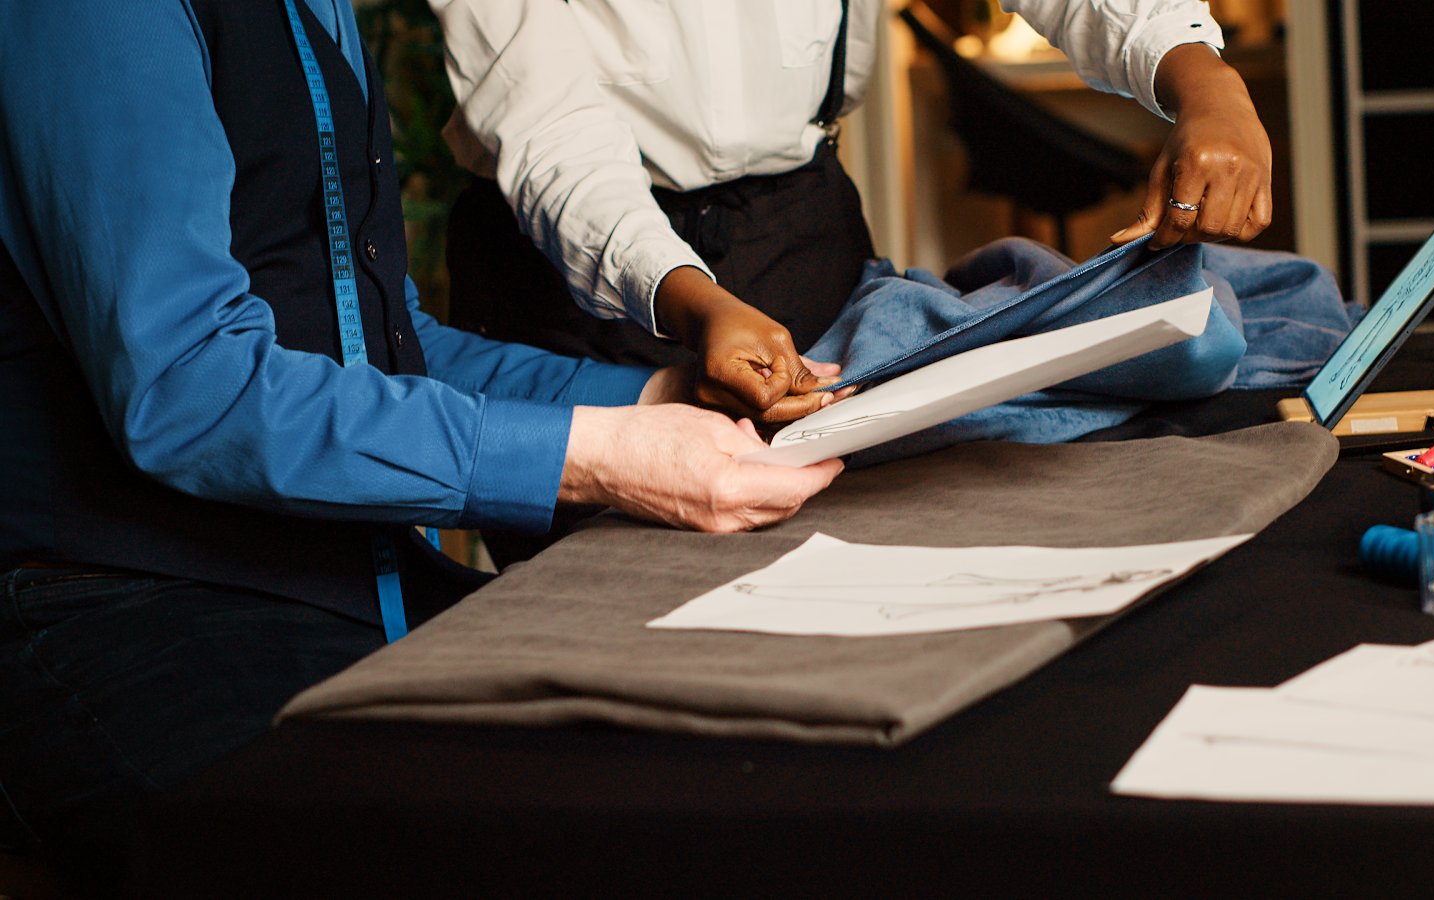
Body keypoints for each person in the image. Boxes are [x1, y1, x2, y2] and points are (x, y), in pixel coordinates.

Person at [0, 0, 840, 887]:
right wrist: (599, 454)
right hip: (116, 607)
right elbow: (189, 385)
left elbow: (378, 339)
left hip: (336, 586)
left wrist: (661, 396)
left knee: (720, 767)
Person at [436, 0, 1274, 423]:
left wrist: (1208, 86)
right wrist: (693, 299)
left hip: (805, 234)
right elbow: (553, 139)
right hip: (576, 287)